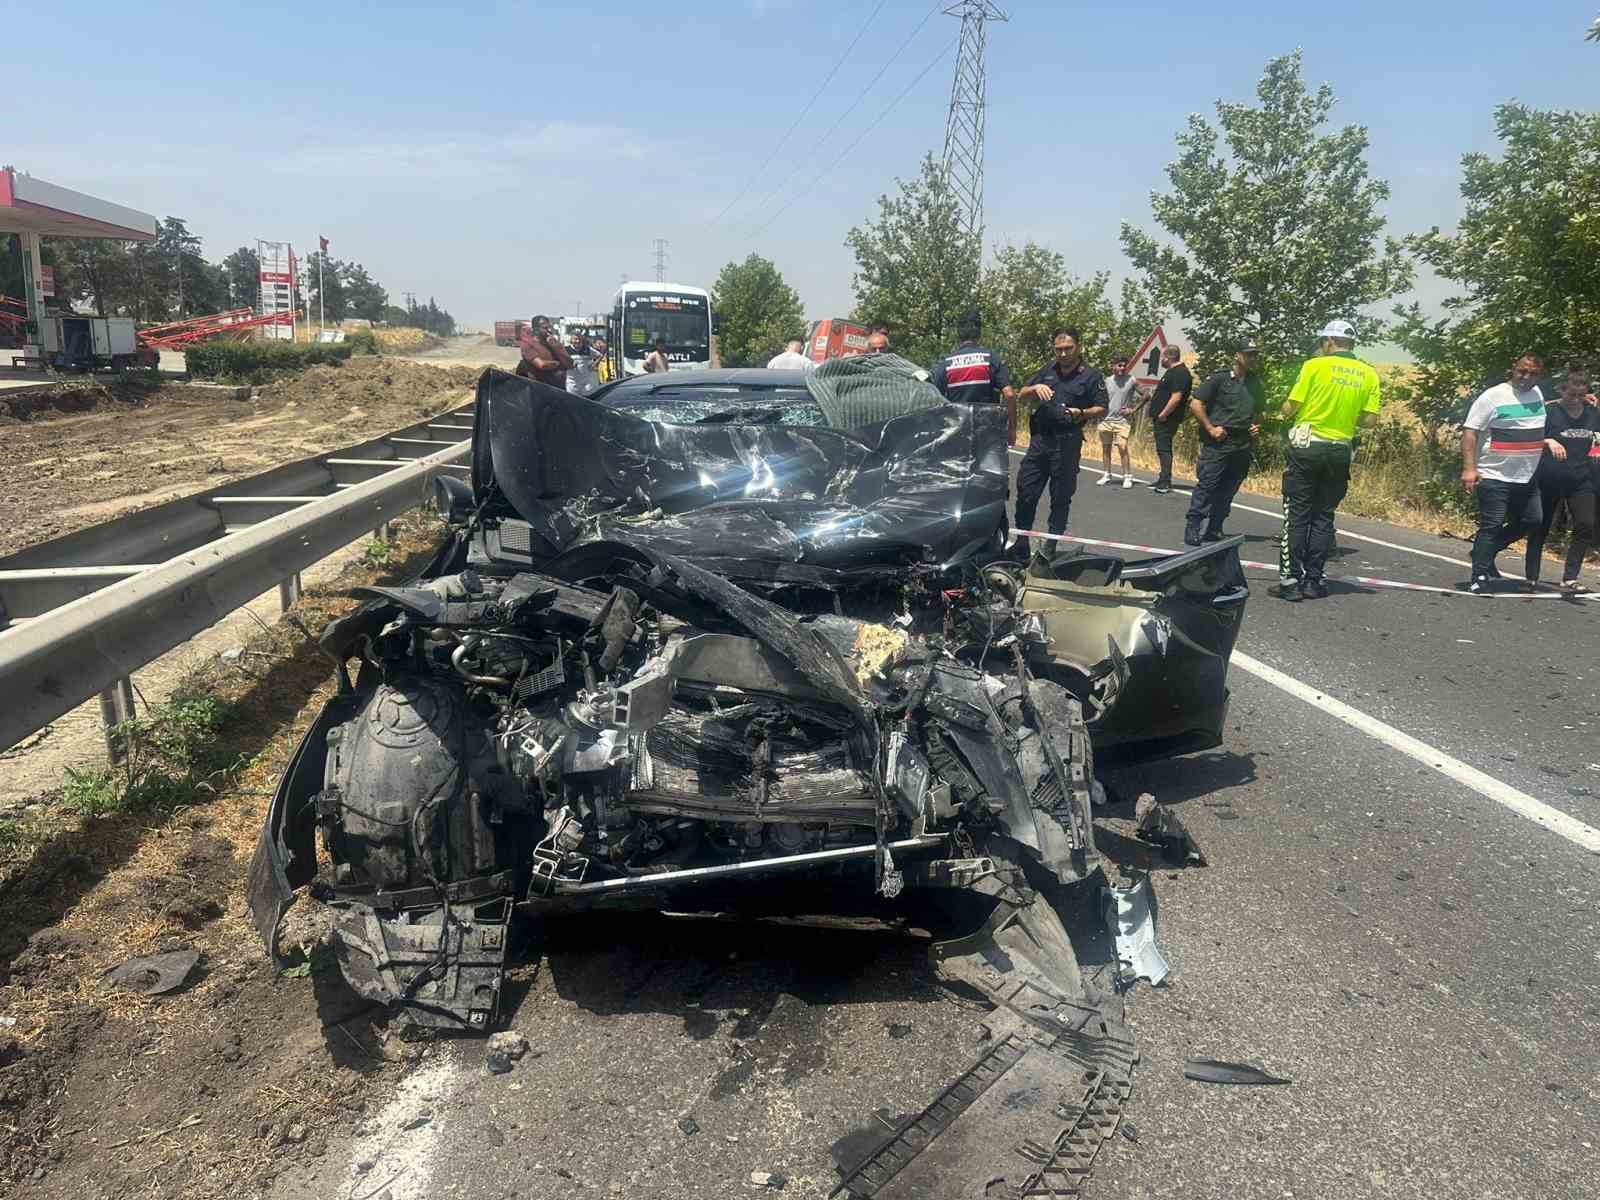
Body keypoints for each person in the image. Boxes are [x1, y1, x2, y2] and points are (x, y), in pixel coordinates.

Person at [1271, 320, 1382, 601]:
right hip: (1340, 450)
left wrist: (1281, 412)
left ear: (1328, 342)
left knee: (1296, 514)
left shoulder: (1314, 366)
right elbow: (1369, 420)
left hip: (1309, 446)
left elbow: (1290, 407)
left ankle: (1290, 581)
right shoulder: (1369, 374)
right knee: (1323, 516)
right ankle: (1314, 580)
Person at [1012, 328, 1107, 560]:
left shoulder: (1091, 376)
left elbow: (1102, 407)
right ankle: (1021, 543)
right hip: (1040, 441)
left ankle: (1051, 548)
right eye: (1058, 349)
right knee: (1026, 492)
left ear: (1078, 347)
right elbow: (1021, 394)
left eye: (1068, 348)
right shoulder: (1047, 370)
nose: (1063, 354)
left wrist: (1081, 412)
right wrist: (1035, 388)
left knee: (1060, 498)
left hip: (1067, 443)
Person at [1461, 353, 1548, 593]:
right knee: (1492, 524)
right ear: (1513, 368)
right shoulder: (1493, 396)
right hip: (1494, 474)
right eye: (1521, 371)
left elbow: (1531, 421)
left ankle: (1484, 553)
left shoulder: (1538, 394)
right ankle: (1479, 577)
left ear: (1539, 375)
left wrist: (1582, 401)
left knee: (1532, 520)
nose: (1525, 377)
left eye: (1532, 373)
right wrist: (1469, 469)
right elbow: (1470, 431)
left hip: (1526, 476)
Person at [1524, 365, 1599, 592]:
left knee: (1586, 524)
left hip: (1581, 479)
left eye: (1580, 395)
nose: (1575, 399)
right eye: (1570, 394)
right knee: (1541, 525)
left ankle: (1570, 578)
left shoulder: (1591, 412)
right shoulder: (1551, 411)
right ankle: (1532, 577)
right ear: (1562, 391)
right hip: (1551, 477)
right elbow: (1530, 437)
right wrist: (1548, 440)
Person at [1184, 341, 1265, 546]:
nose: (1253, 359)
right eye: (1249, 355)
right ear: (1237, 356)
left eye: (1255, 355)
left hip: (1242, 443)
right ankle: (1193, 526)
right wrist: (1210, 428)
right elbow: (1196, 403)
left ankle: (1215, 526)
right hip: (1219, 441)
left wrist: (1257, 425)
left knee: (1230, 486)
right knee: (1208, 484)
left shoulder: (1256, 383)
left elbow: (1260, 412)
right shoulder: (1219, 378)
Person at [1148, 345, 1192, 494]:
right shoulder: (1172, 372)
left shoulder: (1180, 373)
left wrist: (1163, 414)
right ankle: (1162, 478)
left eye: (1162, 357)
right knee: (1162, 448)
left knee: (1164, 448)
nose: (1161, 359)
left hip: (1167, 418)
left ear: (1169, 357)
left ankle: (1165, 482)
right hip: (1162, 418)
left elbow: (1176, 397)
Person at [1096, 356, 1139, 489]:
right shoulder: (1106, 381)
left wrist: (1133, 409)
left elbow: (1146, 395)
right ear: (1112, 366)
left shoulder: (1132, 380)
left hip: (1122, 421)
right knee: (1106, 448)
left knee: (1122, 447)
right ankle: (1107, 474)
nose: (1122, 368)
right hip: (1106, 420)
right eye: (1119, 365)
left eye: (1124, 365)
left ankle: (1127, 476)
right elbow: (1098, 397)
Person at [518, 315, 573, 389]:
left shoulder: (554, 343)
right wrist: (559, 364)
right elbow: (542, 365)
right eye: (545, 328)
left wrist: (556, 347)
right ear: (536, 329)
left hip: (559, 390)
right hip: (539, 389)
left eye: (550, 327)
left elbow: (570, 364)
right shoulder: (528, 345)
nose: (549, 330)